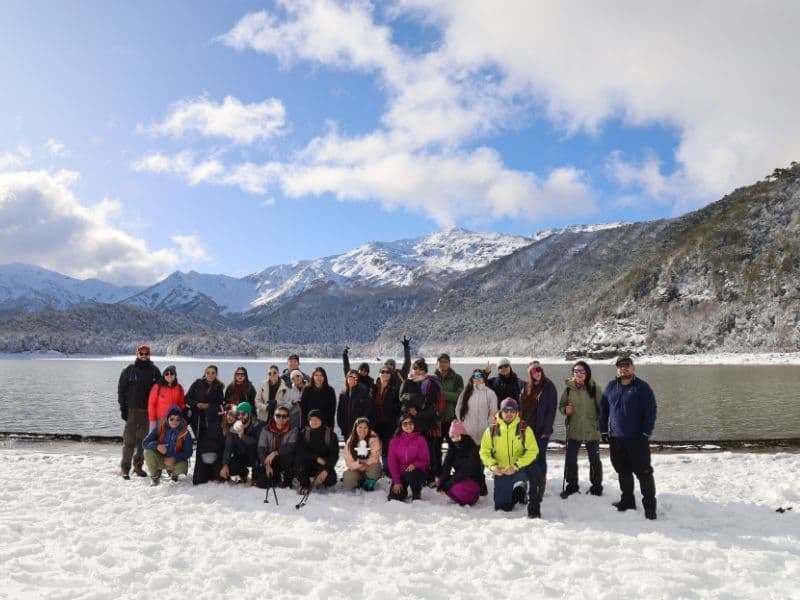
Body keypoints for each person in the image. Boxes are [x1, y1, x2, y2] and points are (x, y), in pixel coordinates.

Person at [600, 356, 658, 520]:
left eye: (627, 366)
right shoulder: (611, 387)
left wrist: (646, 433)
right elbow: (603, 410)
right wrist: (604, 430)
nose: (623, 369)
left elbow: (651, 410)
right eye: (620, 366)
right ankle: (627, 501)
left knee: (644, 473)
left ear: (633, 368)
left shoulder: (642, 387)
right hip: (616, 440)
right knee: (622, 471)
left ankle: (650, 509)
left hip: (637, 439)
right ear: (617, 369)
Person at [479, 398, 539, 516]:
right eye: (506, 410)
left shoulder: (524, 429)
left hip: (520, 468)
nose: (509, 413)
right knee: (502, 508)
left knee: (536, 473)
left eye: (512, 410)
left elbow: (533, 451)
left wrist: (516, 466)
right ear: (501, 412)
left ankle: (525, 485)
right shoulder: (492, 430)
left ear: (517, 412)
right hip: (502, 471)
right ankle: (519, 491)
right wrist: (493, 467)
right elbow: (484, 452)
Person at [558, 360, 603, 498]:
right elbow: (561, 407)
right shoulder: (568, 389)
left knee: (594, 460)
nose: (579, 374)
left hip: (591, 429)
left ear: (587, 373)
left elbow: (603, 409)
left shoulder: (595, 387)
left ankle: (596, 487)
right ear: (573, 373)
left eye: (582, 371)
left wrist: (601, 426)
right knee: (570, 459)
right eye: (576, 371)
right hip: (574, 429)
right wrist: (566, 410)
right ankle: (572, 485)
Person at [117, 345, 161, 479]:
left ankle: (138, 466)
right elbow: (121, 391)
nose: (144, 355)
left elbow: (159, 393)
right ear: (137, 354)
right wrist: (123, 409)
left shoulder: (155, 371)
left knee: (143, 442)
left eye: (146, 353)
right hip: (132, 411)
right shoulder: (129, 370)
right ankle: (125, 468)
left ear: (149, 354)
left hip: (147, 412)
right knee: (129, 441)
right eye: (141, 353)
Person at [519, 361, 557, 502]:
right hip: (527, 430)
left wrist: (547, 429)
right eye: (533, 371)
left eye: (538, 369)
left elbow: (551, 411)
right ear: (530, 373)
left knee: (540, 457)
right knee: (528, 457)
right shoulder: (526, 387)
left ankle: (540, 486)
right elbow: (521, 407)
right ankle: (529, 483)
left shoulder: (549, 386)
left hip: (541, 430)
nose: (537, 372)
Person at [399, 357, 442, 482]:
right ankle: (414, 475)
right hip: (410, 425)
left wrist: (416, 409)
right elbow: (402, 397)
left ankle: (430, 477)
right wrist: (417, 402)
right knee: (413, 452)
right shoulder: (407, 382)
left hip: (427, 422)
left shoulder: (431, 383)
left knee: (428, 451)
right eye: (416, 368)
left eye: (421, 369)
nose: (418, 371)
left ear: (425, 370)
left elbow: (430, 403)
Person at [185, 364, 226, 485]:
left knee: (213, 445)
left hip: (213, 420)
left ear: (216, 374)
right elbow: (187, 398)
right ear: (205, 373)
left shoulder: (219, 387)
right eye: (208, 372)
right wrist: (197, 404)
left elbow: (220, 404)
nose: (211, 375)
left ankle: (213, 473)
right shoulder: (197, 383)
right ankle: (200, 474)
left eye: (213, 373)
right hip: (198, 419)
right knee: (200, 445)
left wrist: (208, 406)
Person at [142, 405, 193, 486]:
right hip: (161, 459)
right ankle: (155, 477)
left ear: (181, 420)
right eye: (172, 419)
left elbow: (189, 452)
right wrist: (157, 446)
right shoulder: (160, 428)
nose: (174, 421)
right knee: (147, 452)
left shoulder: (185, 433)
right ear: (167, 418)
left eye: (177, 419)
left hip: (175, 461)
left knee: (182, 466)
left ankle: (174, 475)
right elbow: (144, 443)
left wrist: (174, 459)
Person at [437, 420, 483, 506]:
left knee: (455, 487)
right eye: (452, 436)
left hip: (473, 481)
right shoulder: (453, 447)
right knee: (441, 481)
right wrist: (442, 483)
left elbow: (465, 471)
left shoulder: (472, 448)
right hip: (460, 479)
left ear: (463, 435)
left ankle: (464, 497)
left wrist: (447, 485)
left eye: (457, 435)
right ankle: (456, 494)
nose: (454, 439)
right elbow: (446, 466)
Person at [387, 413, 430, 502]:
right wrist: (396, 481)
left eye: (410, 423)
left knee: (412, 474)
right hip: (401, 473)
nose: (408, 426)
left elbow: (425, 460)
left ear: (414, 424)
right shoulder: (394, 440)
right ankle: (404, 491)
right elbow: (392, 462)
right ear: (400, 425)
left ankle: (416, 492)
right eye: (405, 424)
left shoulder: (420, 440)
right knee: (394, 498)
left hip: (416, 472)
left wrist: (415, 465)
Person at [295, 409, 339, 494]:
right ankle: (305, 484)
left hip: (323, 464)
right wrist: (316, 458)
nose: (314, 421)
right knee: (298, 462)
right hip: (308, 464)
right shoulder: (304, 433)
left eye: (317, 419)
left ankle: (321, 480)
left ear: (321, 420)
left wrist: (326, 470)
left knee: (331, 480)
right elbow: (300, 451)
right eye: (311, 419)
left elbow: (334, 455)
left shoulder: (330, 435)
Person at [219, 401, 262, 485]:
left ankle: (255, 476)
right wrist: (225, 465)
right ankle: (243, 473)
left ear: (249, 414)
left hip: (255, 457)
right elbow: (228, 448)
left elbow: (258, 443)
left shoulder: (257, 425)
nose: (240, 416)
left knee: (256, 453)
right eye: (238, 414)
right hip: (240, 456)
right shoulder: (234, 427)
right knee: (230, 467)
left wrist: (242, 436)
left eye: (243, 414)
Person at [256, 406, 298, 489]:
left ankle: (288, 479)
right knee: (263, 484)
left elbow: (291, 447)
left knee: (289, 456)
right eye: (278, 415)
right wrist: (267, 465)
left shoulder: (293, 429)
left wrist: (275, 453)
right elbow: (261, 449)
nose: (281, 418)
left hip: (285, 459)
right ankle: (276, 477)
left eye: (284, 416)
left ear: (288, 418)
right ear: (274, 416)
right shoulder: (265, 429)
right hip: (271, 460)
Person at [435, 353, 464, 469]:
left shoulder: (457, 378)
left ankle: (456, 470)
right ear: (437, 363)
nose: (443, 364)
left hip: (451, 419)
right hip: (435, 420)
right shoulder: (432, 378)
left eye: (445, 361)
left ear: (449, 363)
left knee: (454, 447)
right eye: (441, 361)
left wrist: (442, 395)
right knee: (435, 449)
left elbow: (459, 396)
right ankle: (437, 472)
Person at [372, 364, 402, 469]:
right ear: (379, 373)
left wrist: (398, 421)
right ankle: (374, 467)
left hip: (389, 422)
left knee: (387, 446)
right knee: (374, 445)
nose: (385, 374)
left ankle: (387, 467)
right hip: (375, 422)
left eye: (387, 372)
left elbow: (400, 406)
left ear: (391, 375)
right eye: (383, 372)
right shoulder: (373, 387)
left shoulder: (395, 388)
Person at [342, 417, 383, 491]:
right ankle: (358, 482)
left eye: (365, 428)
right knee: (348, 479)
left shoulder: (374, 438)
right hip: (356, 468)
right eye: (360, 427)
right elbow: (349, 463)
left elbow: (375, 457)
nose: (362, 430)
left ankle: (368, 483)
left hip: (369, 467)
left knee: (376, 468)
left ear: (368, 428)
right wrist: (359, 463)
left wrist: (366, 461)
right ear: (355, 428)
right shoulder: (350, 441)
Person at [337, 369, 373, 441]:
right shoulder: (343, 393)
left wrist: (362, 425)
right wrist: (341, 424)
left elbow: (368, 410)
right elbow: (339, 411)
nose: (352, 379)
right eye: (350, 377)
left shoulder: (362, 392)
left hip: (359, 429)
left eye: (355, 377)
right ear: (347, 378)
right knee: (348, 449)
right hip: (346, 428)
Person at [147, 365, 186, 431]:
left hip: (174, 420)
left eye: (172, 373)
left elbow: (181, 404)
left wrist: (182, 416)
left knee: (173, 440)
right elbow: (151, 405)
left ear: (175, 375)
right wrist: (152, 421)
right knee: (160, 440)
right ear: (164, 376)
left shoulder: (179, 388)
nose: (169, 375)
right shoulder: (157, 387)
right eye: (167, 374)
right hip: (160, 420)